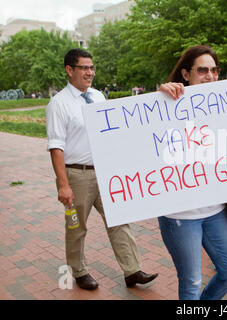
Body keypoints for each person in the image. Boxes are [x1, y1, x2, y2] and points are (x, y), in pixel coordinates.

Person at [45, 48, 158, 291]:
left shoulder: (98, 97)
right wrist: (63, 184)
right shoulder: (58, 104)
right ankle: (79, 271)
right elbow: (56, 147)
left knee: (120, 219)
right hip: (76, 175)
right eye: (84, 67)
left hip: (105, 172)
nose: (90, 72)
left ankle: (132, 270)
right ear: (69, 70)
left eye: (91, 67)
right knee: (77, 227)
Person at [157, 45, 227, 300]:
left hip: (215, 210)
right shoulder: (165, 104)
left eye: (215, 70)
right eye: (202, 70)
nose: (210, 76)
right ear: (185, 74)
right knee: (192, 282)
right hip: (180, 214)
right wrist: (159, 95)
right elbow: (146, 136)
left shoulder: (225, 108)